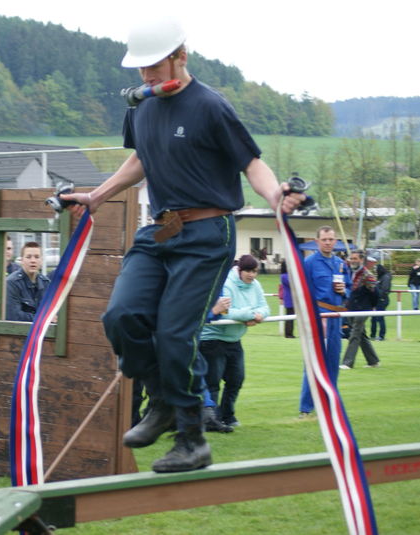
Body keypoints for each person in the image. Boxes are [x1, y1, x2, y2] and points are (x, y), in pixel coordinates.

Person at [60, 16, 304, 472]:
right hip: (160, 232)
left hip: (207, 234)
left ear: (181, 56)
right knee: (121, 317)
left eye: (154, 65)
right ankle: (162, 402)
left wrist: (276, 197)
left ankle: (192, 440)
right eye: (140, 68)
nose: (147, 75)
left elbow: (251, 163)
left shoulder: (210, 106)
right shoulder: (142, 107)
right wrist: (95, 197)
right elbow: (141, 159)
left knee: (175, 335)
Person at [200, 254, 269, 428]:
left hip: (234, 339)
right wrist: (251, 314)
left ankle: (227, 415)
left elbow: (265, 307)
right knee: (213, 382)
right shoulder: (226, 283)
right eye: (248, 271)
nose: (251, 275)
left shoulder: (256, 285)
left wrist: (258, 315)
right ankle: (210, 419)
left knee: (236, 380)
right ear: (239, 270)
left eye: (254, 271)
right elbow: (225, 313)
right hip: (212, 339)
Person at [299, 226, 350, 417]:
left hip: (336, 317)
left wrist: (344, 290)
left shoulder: (340, 263)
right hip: (319, 317)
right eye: (324, 239)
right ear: (317, 241)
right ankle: (306, 408)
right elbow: (303, 291)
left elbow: (349, 287)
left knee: (333, 362)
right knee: (314, 363)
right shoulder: (309, 263)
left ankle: (329, 405)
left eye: (331, 239)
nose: (328, 243)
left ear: (335, 241)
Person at [340, 254, 380, 369]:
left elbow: (375, 293)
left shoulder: (367, 275)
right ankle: (373, 361)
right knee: (361, 334)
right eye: (351, 258)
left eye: (355, 258)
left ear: (361, 260)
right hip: (351, 308)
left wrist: (372, 306)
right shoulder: (349, 273)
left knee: (355, 334)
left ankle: (347, 362)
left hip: (363, 309)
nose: (352, 261)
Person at [5, 242, 50, 322]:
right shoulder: (11, 283)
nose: (33, 260)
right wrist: (43, 319)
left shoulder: (46, 283)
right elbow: (13, 317)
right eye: (28, 257)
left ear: (41, 260)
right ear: (22, 260)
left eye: (37, 257)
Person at [370, 263, 392, 341]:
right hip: (377, 300)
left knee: (380, 318)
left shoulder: (385, 277)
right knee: (374, 318)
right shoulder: (381, 277)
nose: (375, 271)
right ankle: (373, 335)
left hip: (382, 300)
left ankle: (381, 336)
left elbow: (384, 290)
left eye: (376, 270)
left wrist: (379, 296)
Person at [279, 260, 295, 338]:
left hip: (291, 299)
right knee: (289, 317)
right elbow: (292, 283)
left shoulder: (286, 275)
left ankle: (289, 333)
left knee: (291, 317)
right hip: (289, 299)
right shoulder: (284, 276)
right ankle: (288, 333)